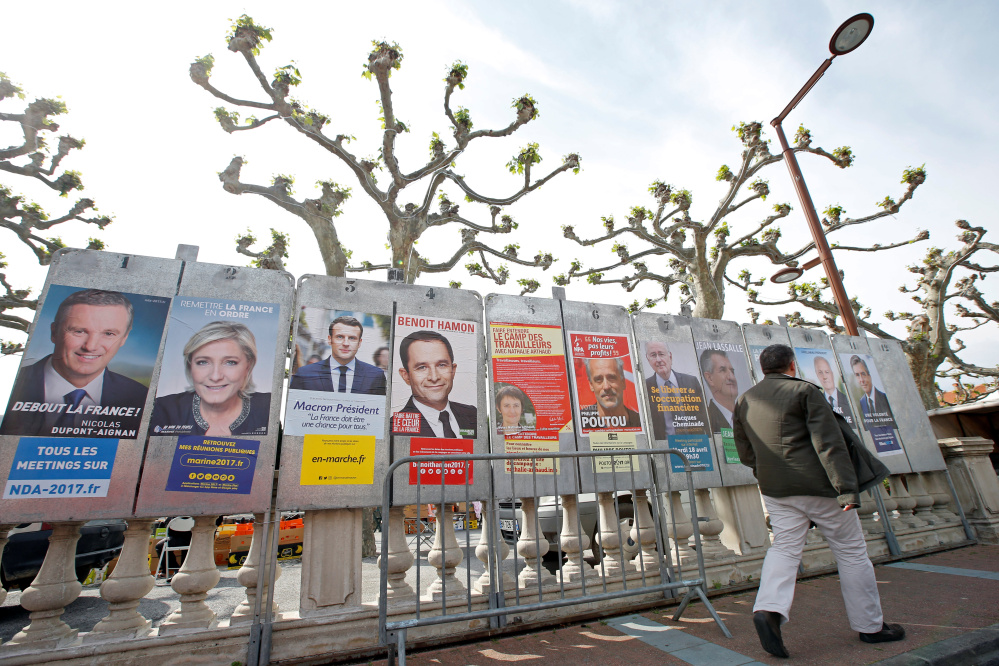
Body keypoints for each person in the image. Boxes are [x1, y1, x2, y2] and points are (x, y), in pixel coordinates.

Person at [733, 344, 904, 659]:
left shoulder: (744, 399)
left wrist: (766, 473)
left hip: (775, 490)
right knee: (851, 553)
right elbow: (828, 443)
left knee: (784, 548)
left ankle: (768, 609)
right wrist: (846, 489)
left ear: (763, 368)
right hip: (819, 487)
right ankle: (871, 627)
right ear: (792, 365)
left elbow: (746, 452)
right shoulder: (805, 392)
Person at [1, 288, 147, 437]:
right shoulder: (9, 382)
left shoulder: (141, 396)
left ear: (124, 339)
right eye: (79, 331)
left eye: (109, 334)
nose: (90, 346)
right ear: (54, 332)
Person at [149, 321, 270, 437]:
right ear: (190, 366)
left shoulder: (268, 408)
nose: (215, 376)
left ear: (248, 366)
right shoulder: (163, 409)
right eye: (202, 362)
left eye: (230, 362)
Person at [395, 330, 476, 438]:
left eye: (441, 365)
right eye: (422, 367)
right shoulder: (394, 428)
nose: (434, 377)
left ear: (453, 370)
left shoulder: (473, 415)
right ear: (406, 376)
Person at [290, 315, 386, 394]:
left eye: (352, 338)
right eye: (340, 337)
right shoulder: (305, 374)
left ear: (359, 343)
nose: (346, 343)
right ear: (329, 339)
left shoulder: (375, 376)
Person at [644, 341, 707, 440]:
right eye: (653, 355)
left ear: (670, 356)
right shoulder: (645, 387)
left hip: (694, 444)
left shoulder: (691, 382)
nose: (658, 359)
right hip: (665, 447)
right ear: (648, 360)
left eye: (661, 354)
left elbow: (704, 417)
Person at [578, 357, 641, 430]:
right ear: (591, 385)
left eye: (611, 378)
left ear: (623, 382)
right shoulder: (578, 423)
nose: (606, 387)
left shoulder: (640, 422)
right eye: (598, 379)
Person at [850, 356, 896, 428]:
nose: (861, 380)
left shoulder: (884, 398)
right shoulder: (862, 402)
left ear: (869, 375)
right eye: (857, 375)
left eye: (863, 374)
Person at [700, 348, 739, 433]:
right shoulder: (705, 421)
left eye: (732, 371)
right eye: (723, 370)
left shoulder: (749, 415)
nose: (731, 377)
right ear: (709, 378)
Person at [813, 356, 855, 426]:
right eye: (820, 373)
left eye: (827, 372)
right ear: (817, 375)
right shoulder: (818, 402)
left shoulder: (848, 400)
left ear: (832, 373)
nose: (824, 377)